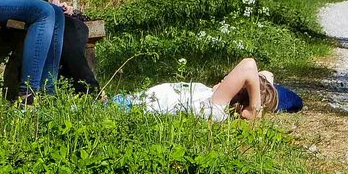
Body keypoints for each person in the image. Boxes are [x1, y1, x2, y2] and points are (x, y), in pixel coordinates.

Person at [112, 57, 302, 122]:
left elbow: (248, 65)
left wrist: (255, 110)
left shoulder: (216, 107)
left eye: (231, 79)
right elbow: (267, 74)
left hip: (125, 107)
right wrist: (259, 90)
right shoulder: (213, 95)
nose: (227, 77)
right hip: (128, 101)